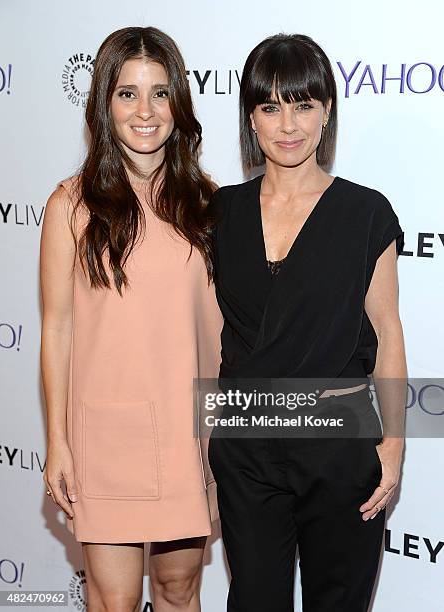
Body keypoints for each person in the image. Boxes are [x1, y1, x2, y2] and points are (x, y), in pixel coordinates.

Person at [207, 33, 407, 611]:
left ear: (326, 113)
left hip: (340, 444)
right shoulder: (221, 212)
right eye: (270, 106)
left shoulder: (365, 212)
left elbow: (388, 332)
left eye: (303, 104)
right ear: (250, 117)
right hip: (246, 447)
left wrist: (392, 445)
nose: (287, 124)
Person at [40, 26, 222, 612]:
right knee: (114, 600)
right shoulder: (70, 204)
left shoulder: (208, 204)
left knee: (178, 589)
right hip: (107, 433)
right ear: (103, 102)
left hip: (190, 429)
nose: (145, 111)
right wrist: (58, 442)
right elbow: (57, 329)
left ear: (180, 104)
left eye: (161, 93)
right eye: (127, 93)